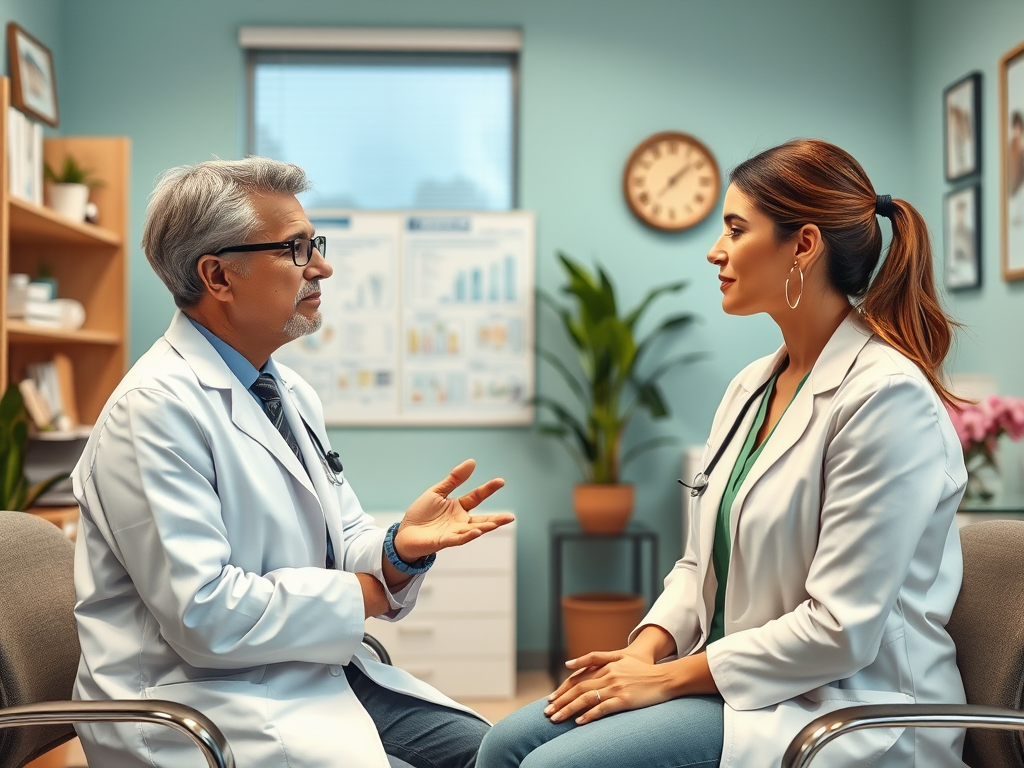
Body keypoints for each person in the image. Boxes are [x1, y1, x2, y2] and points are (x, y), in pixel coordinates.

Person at [478, 139, 968, 768]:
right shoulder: (752, 386)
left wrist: (669, 679)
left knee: (554, 765)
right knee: (504, 744)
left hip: (846, 712)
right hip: (747, 687)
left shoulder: (885, 399)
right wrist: (646, 651)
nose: (716, 251)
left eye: (736, 230)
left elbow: (841, 630)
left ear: (804, 245)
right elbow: (696, 568)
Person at [71, 157, 513, 768]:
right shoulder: (153, 412)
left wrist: (395, 552)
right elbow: (205, 615)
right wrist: (367, 593)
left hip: (305, 674)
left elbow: (343, 532)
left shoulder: (286, 392)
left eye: (315, 244)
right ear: (218, 276)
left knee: (506, 754)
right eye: (296, 249)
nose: (322, 267)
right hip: (204, 709)